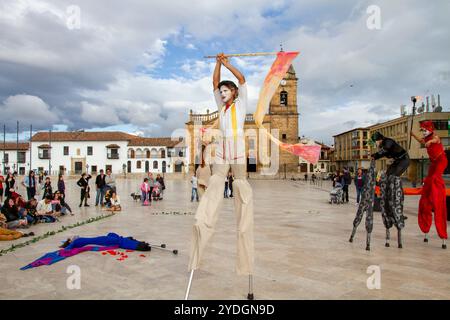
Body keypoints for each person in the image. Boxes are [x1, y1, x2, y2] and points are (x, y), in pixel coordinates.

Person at [188, 53, 254, 277]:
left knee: (240, 183)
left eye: (227, 91)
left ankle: (244, 223)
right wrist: (217, 64)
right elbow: (214, 83)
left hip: (237, 147)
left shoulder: (241, 103)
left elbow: (242, 78)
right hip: (224, 147)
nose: (223, 93)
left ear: (234, 92)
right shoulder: (222, 107)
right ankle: (205, 216)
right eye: (222, 92)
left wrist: (227, 64)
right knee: (216, 180)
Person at [411, 120, 448, 247]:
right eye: (422, 130)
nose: (424, 131)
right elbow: (421, 141)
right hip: (433, 163)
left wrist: (430, 142)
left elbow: (436, 140)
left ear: (430, 129)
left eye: (425, 129)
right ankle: (428, 191)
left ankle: (435, 189)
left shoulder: (434, 136)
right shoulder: (426, 138)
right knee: (428, 180)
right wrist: (413, 135)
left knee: (435, 179)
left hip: (441, 160)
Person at [60, 232, 151, 251]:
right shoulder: (75, 242)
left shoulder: (77, 240)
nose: (73, 237)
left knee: (112, 235)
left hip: (100, 239)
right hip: (101, 240)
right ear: (70, 241)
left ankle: (135, 243)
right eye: (70, 238)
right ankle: (138, 245)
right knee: (118, 241)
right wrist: (65, 248)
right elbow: (67, 249)